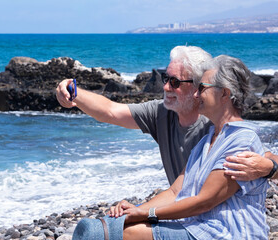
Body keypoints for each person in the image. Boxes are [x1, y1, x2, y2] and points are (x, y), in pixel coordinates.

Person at [56, 45, 278, 185]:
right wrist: (72, 91)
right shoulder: (162, 113)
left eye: (175, 82)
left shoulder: (215, 121)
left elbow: (264, 157)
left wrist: (269, 168)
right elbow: (110, 112)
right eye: (165, 79)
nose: (166, 88)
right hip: (182, 210)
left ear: (198, 87)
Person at [108, 55, 269, 239]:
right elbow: (176, 191)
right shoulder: (206, 142)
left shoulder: (241, 140)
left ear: (224, 94)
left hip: (226, 234)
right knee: (112, 227)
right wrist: (134, 211)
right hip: (198, 227)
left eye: (202, 88)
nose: (196, 94)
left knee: (128, 234)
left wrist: (147, 214)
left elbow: (204, 202)